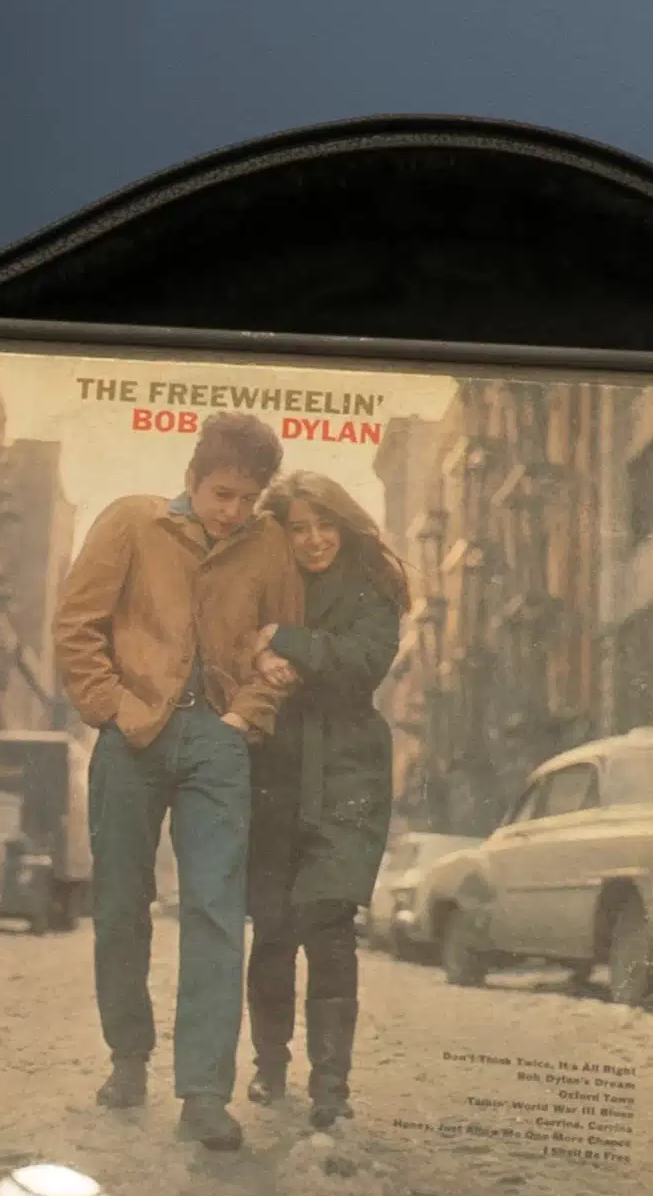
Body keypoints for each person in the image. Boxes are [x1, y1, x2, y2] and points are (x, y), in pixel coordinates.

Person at [46, 409, 307, 1149]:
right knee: (121, 904)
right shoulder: (132, 522)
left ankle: (204, 1095)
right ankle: (128, 1060)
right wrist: (114, 709)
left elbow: (284, 647)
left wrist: (247, 716)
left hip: (218, 743)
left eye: (248, 499)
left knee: (217, 911)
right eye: (223, 494)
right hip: (131, 738)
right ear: (193, 478)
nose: (233, 512)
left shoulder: (269, 547)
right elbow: (76, 626)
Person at [242, 470, 410, 1130]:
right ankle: (269, 1067)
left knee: (330, 926)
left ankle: (331, 1086)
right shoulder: (263, 580)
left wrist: (282, 639)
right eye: (299, 529)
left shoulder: (375, 587)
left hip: (347, 775)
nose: (314, 541)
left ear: (344, 525)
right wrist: (257, 656)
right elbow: (225, 639)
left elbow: (360, 666)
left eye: (325, 526)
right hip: (274, 771)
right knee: (273, 930)